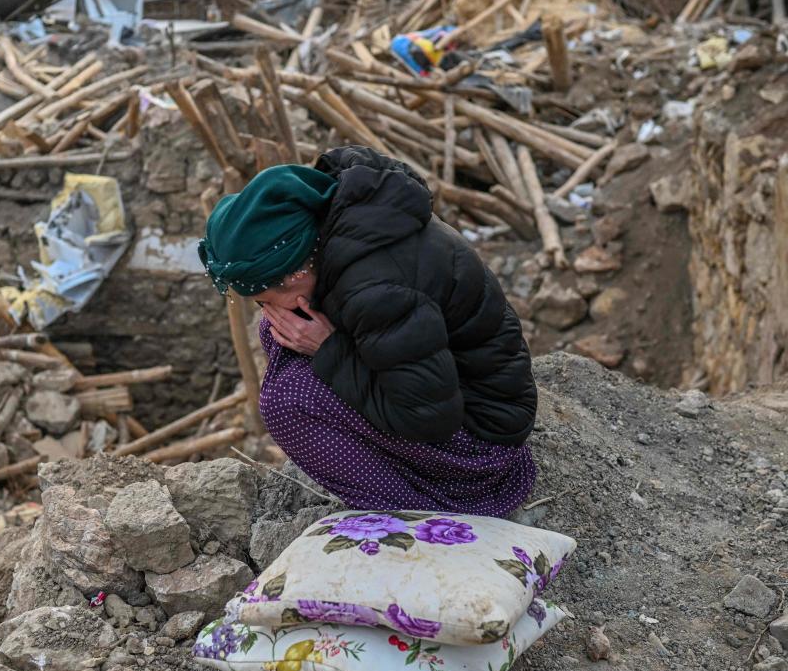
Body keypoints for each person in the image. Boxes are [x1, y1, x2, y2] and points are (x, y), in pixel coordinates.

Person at [197, 146, 537, 517]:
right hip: (455, 390)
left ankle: (432, 505)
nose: (271, 309)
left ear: (295, 273)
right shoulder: (347, 231)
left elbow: (429, 418)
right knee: (278, 335)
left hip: (483, 444)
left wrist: (328, 349)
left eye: (267, 298)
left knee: (286, 403)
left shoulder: (374, 290)